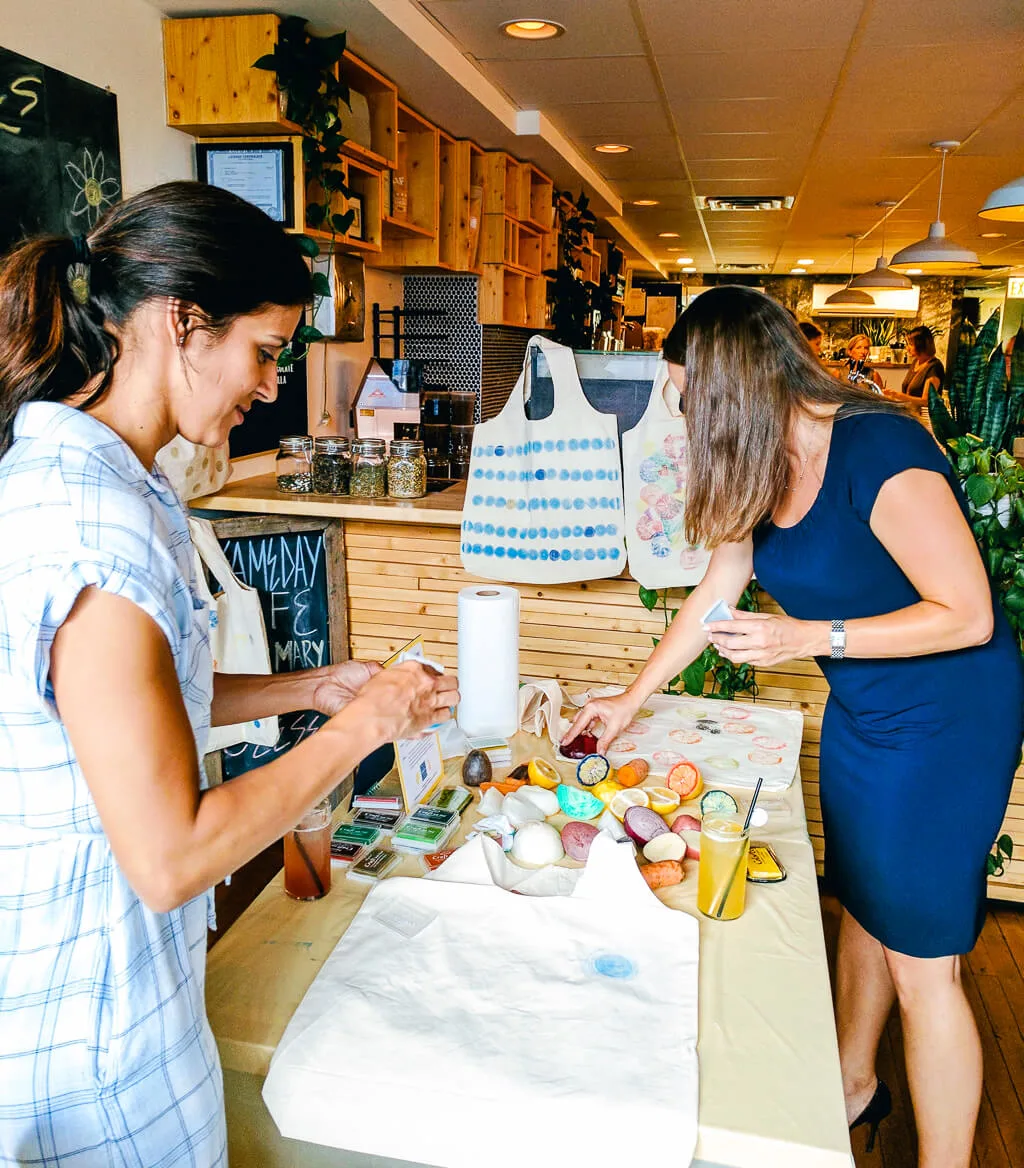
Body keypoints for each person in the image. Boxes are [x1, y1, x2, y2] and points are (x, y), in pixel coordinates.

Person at [0, 181, 458, 1166]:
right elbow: (170, 856)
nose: (269, 385)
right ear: (183, 321)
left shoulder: (121, 482)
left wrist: (308, 689)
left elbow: (132, 717)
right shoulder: (94, 525)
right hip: (90, 1031)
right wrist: (366, 722)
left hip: (116, 989)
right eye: (263, 352)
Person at [565, 285, 1023, 1168]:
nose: (685, 421)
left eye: (689, 400)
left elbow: (967, 614)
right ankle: (854, 1083)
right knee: (863, 900)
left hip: (950, 721)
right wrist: (630, 699)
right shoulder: (760, 461)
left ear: (731, 384)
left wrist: (810, 636)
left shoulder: (880, 449)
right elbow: (713, 594)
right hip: (868, 712)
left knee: (924, 967)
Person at [884, 325, 944, 412]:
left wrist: (898, 395)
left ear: (921, 345)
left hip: (924, 419)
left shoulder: (934, 367)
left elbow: (926, 401)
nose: (907, 348)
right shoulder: (915, 362)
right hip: (910, 415)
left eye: (911, 344)